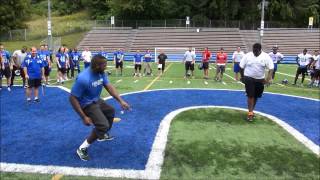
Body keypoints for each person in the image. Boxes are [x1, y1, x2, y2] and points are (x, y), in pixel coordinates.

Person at [69, 54, 130, 161]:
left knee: (110, 111)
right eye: (104, 65)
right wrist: (83, 117)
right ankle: (82, 148)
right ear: (97, 66)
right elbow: (72, 98)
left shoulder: (101, 72)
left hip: (96, 100)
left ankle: (102, 135)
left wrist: (121, 101)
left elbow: (109, 87)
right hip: (86, 104)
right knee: (103, 125)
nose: (106, 66)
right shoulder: (84, 78)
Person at [240, 43, 274, 121]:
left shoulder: (266, 56)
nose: (254, 53)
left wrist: (268, 79)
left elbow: (271, 68)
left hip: (260, 80)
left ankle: (251, 111)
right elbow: (241, 66)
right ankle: (250, 113)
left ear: (260, 50)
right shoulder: (248, 55)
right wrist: (242, 77)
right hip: (249, 78)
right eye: (253, 51)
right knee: (250, 95)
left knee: (256, 96)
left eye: (256, 51)